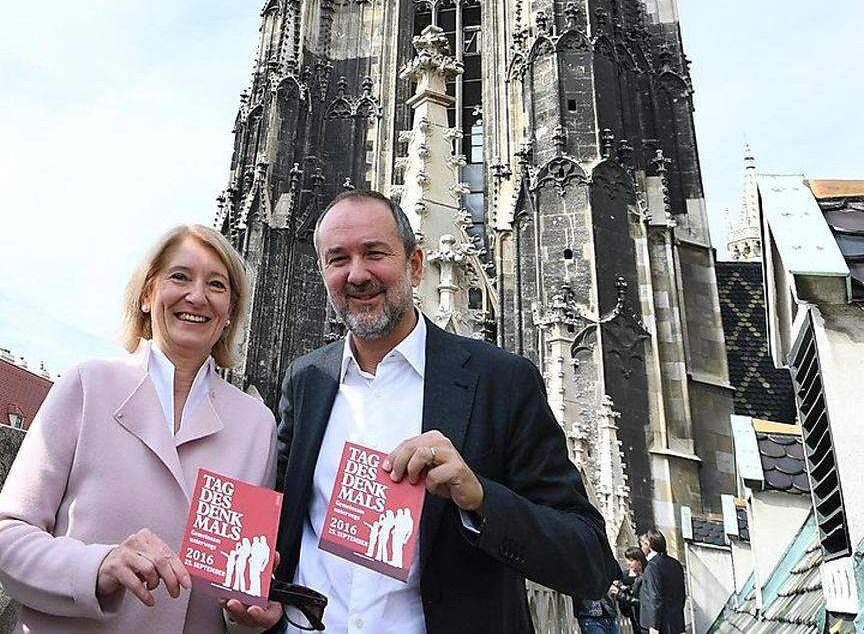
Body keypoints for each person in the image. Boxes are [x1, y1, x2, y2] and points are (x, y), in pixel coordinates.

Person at [229, 190, 618, 633]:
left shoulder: (500, 381)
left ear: (415, 264)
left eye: (375, 253)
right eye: (338, 259)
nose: (357, 274)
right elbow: (281, 522)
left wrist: (481, 499)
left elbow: (589, 558)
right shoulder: (306, 380)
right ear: (322, 272)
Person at [0, 225, 279, 633]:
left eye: (216, 284)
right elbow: (5, 539)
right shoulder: (88, 386)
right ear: (145, 294)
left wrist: (252, 616)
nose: (197, 296)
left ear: (230, 312)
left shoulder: (257, 426)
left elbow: (233, 595)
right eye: (179, 276)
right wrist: (98, 566)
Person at [638, 529, 686, 634]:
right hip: (675, 622)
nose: (641, 549)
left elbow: (654, 597)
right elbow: (682, 594)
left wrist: (654, 625)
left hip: (659, 625)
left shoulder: (652, 566)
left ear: (648, 545)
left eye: (642, 545)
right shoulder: (675, 563)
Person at [616, 547, 646, 631]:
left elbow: (641, 601)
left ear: (639, 561)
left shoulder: (646, 575)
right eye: (627, 560)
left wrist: (621, 595)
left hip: (645, 618)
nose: (628, 563)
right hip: (633, 616)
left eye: (631, 560)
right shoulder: (625, 576)